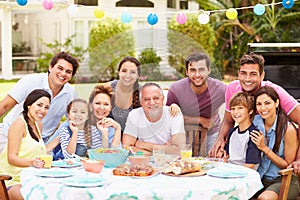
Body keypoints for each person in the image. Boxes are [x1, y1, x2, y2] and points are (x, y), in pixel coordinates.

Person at [209, 53, 300, 169]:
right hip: (253, 159)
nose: (247, 79)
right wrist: (220, 139)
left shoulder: (274, 92)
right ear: (238, 74)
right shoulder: (232, 89)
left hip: (273, 161)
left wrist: (299, 159)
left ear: (262, 75)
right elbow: (228, 121)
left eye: (253, 74)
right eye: (243, 73)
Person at [0, 51, 79, 152]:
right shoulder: (30, 81)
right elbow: (4, 106)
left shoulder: (70, 93)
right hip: (9, 134)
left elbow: (75, 120)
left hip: (41, 141)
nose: (63, 74)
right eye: (60, 68)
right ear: (51, 67)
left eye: (68, 72)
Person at [166, 52, 227, 154]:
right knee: (180, 162)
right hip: (184, 133)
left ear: (209, 70)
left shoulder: (220, 88)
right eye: (193, 70)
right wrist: (200, 120)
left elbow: (237, 104)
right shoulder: (176, 89)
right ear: (187, 72)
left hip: (211, 133)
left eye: (201, 70)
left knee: (214, 160)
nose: (197, 75)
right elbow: (169, 118)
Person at [0, 89, 52, 200]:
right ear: (29, 105)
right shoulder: (19, 124)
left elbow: (37, 151)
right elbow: (11, 158)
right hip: (11, 180)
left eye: (46, 107)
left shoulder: (38, 125)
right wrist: (32, 162)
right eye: (39, 105)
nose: (43, 110)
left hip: (32, 178)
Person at [250, 86, 299, 200]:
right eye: (259, 104)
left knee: (264, 198)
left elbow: (288, 165)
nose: (263, 108)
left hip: (284, 180)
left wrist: (264, 148)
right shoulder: (255, 122)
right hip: (260, 178)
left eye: (267, 103)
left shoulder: (288, 129)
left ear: (276, 103)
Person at [54, 86, 122, 159]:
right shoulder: (74, 123)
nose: (102, 107)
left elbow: (116, 155)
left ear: (111, 107)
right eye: (97, 103)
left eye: (106, 104)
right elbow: (50, 146)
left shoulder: (110, 127)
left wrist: (118, 128)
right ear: (90, 105)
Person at [122, 83, 186, 155]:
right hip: (143, 162)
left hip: (170, 163)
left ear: (163, 100)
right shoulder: (134, 114)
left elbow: (180, 150)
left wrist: (145, 145)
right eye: (147, 99)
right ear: (141, 102)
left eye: (156, 98)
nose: (152, 103)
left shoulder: (174, 113)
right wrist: (158, 152)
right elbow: (127, 147)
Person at [224, 92, 261, 169]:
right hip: (229, 172)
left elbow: (250, 166)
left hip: (245, 176)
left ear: (250, 111)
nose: (235, 112)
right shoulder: (232, 132)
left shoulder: (253, 135)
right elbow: (227, 157)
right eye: (233, 109)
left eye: (240, 108)